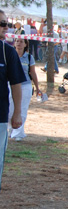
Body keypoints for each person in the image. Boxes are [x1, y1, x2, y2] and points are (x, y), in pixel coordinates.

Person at [0, 10, 26, 190]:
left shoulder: (7, 51)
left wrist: (17, 113)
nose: (6, 27)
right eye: (2, 23)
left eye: (6, 24)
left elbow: (16, 84)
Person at [10, 38, 40, 141]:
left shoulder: (29, 57)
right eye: (17, 41)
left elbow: (32, 73)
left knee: (22, 109)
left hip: (25, 85)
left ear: (26, 45)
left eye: (21, 42)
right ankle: (11, 129)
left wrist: (37, 88)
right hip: (11, 85)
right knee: (10, 108)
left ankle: (18, 133)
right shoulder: (10, 55)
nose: (19, 43)